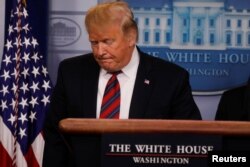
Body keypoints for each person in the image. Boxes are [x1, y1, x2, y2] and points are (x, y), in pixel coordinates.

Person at [43, 1, 201, 167]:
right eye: (94, 42)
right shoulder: (71, 72)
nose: (99, 52)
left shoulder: (170, 79)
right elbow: (55, 136)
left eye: (107, 41)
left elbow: (189, 140)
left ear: (131, 37)